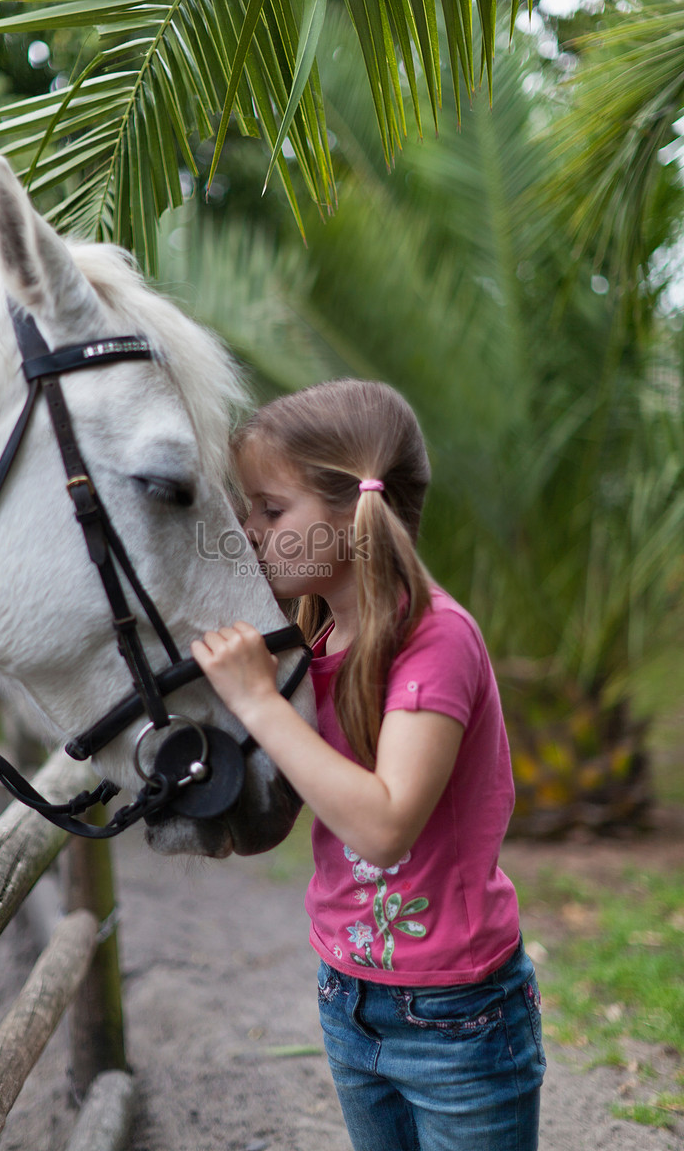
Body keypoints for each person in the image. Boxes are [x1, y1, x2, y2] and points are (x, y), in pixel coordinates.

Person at [190, 378, 546, 1151]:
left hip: (456, 1016)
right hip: (349, 994)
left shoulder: (435, 641)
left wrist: (260, 706)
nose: (247, 531)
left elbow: (385, 826)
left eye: (270, 510)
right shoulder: (318, 639)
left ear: (353, 516)